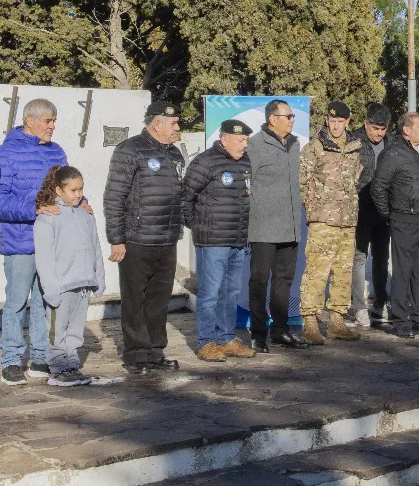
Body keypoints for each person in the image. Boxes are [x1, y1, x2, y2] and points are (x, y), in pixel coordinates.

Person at [0, 98, 67, 386]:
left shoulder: (56, 152)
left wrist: (82, 203)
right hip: (19, 240)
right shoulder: (4, 154)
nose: (52, 127)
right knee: (17, 300)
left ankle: (41, 357)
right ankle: (11, 360)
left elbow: (66, 189)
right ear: (31, 120)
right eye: (48, 121)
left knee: (46, 300)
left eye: (54, 121)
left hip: (50, 240)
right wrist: (33, 208)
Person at [103, 101, 187, 375]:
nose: (178, 127)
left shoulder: (175, 154)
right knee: (135, 300)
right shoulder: (130, 150)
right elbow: (114, 196)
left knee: (159, 299)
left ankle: (155, 351)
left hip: (166, 238)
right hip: (137, 238)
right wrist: (117, 238)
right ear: (157, 123)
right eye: (173, 123)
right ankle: (137, 354)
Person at [182, 119, 257, 361]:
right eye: (240, 140)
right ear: (224, 139)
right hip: (212, 241)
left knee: (231, 292)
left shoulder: (245, 161)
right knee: (210, 293)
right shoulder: (205, 162)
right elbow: (186, 197)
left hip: (236, 239)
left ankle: (225, 338)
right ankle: (206, 342)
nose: (244, 145)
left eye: (246, 140)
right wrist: (197, 225)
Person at [296, 101, 364, 348]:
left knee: (343, 272)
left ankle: (337, 321)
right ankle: (310, 322)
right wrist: (314, 208)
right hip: (323, 220)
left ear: (348, 122)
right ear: (326, 121)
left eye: (340, 121)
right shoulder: (314, 148)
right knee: (316, 271)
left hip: (347, 220)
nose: (335, 126)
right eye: (331, 121)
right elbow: (301, 182)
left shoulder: (356, 147)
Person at [372, 112, 419, 338]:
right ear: (406, 129)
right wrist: (390, 214)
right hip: (404, 219)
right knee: (403, 272)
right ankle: (401, 320)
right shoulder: (393, 153)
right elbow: (378, 188)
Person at [33, 165, 105, 387]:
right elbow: (44, 258)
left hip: (83, 283)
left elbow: (96, 248)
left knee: (75, 329)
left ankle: (71, 365)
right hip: (61, 287)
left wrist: (99, 278)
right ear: (58, 190)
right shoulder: (48, 218)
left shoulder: (86, 215)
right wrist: (51, 289)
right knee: (57, 330)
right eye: (73, 190)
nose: (78, 194)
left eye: (80, 189)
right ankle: (57, 369)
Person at [246, 99, 308, 351]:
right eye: (288, 116)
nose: (293, 120)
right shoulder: (255, 144)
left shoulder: (294, 144)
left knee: (284, 280)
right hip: (263, 226)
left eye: (293, 116)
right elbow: (246, 182)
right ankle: (259, 334)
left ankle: (280, 330)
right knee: (260, 280)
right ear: (273, 118)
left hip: (290, 226)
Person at [350, 103, 392, 326]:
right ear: (366, 124)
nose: (379, 133)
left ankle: (381, 302)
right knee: (358, 257)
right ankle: (358, 306)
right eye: (375, 128)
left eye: (383, 129)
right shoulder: (353, 141)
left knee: (382, 257)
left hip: (383, 210)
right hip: (359, 208)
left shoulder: (391, 143)